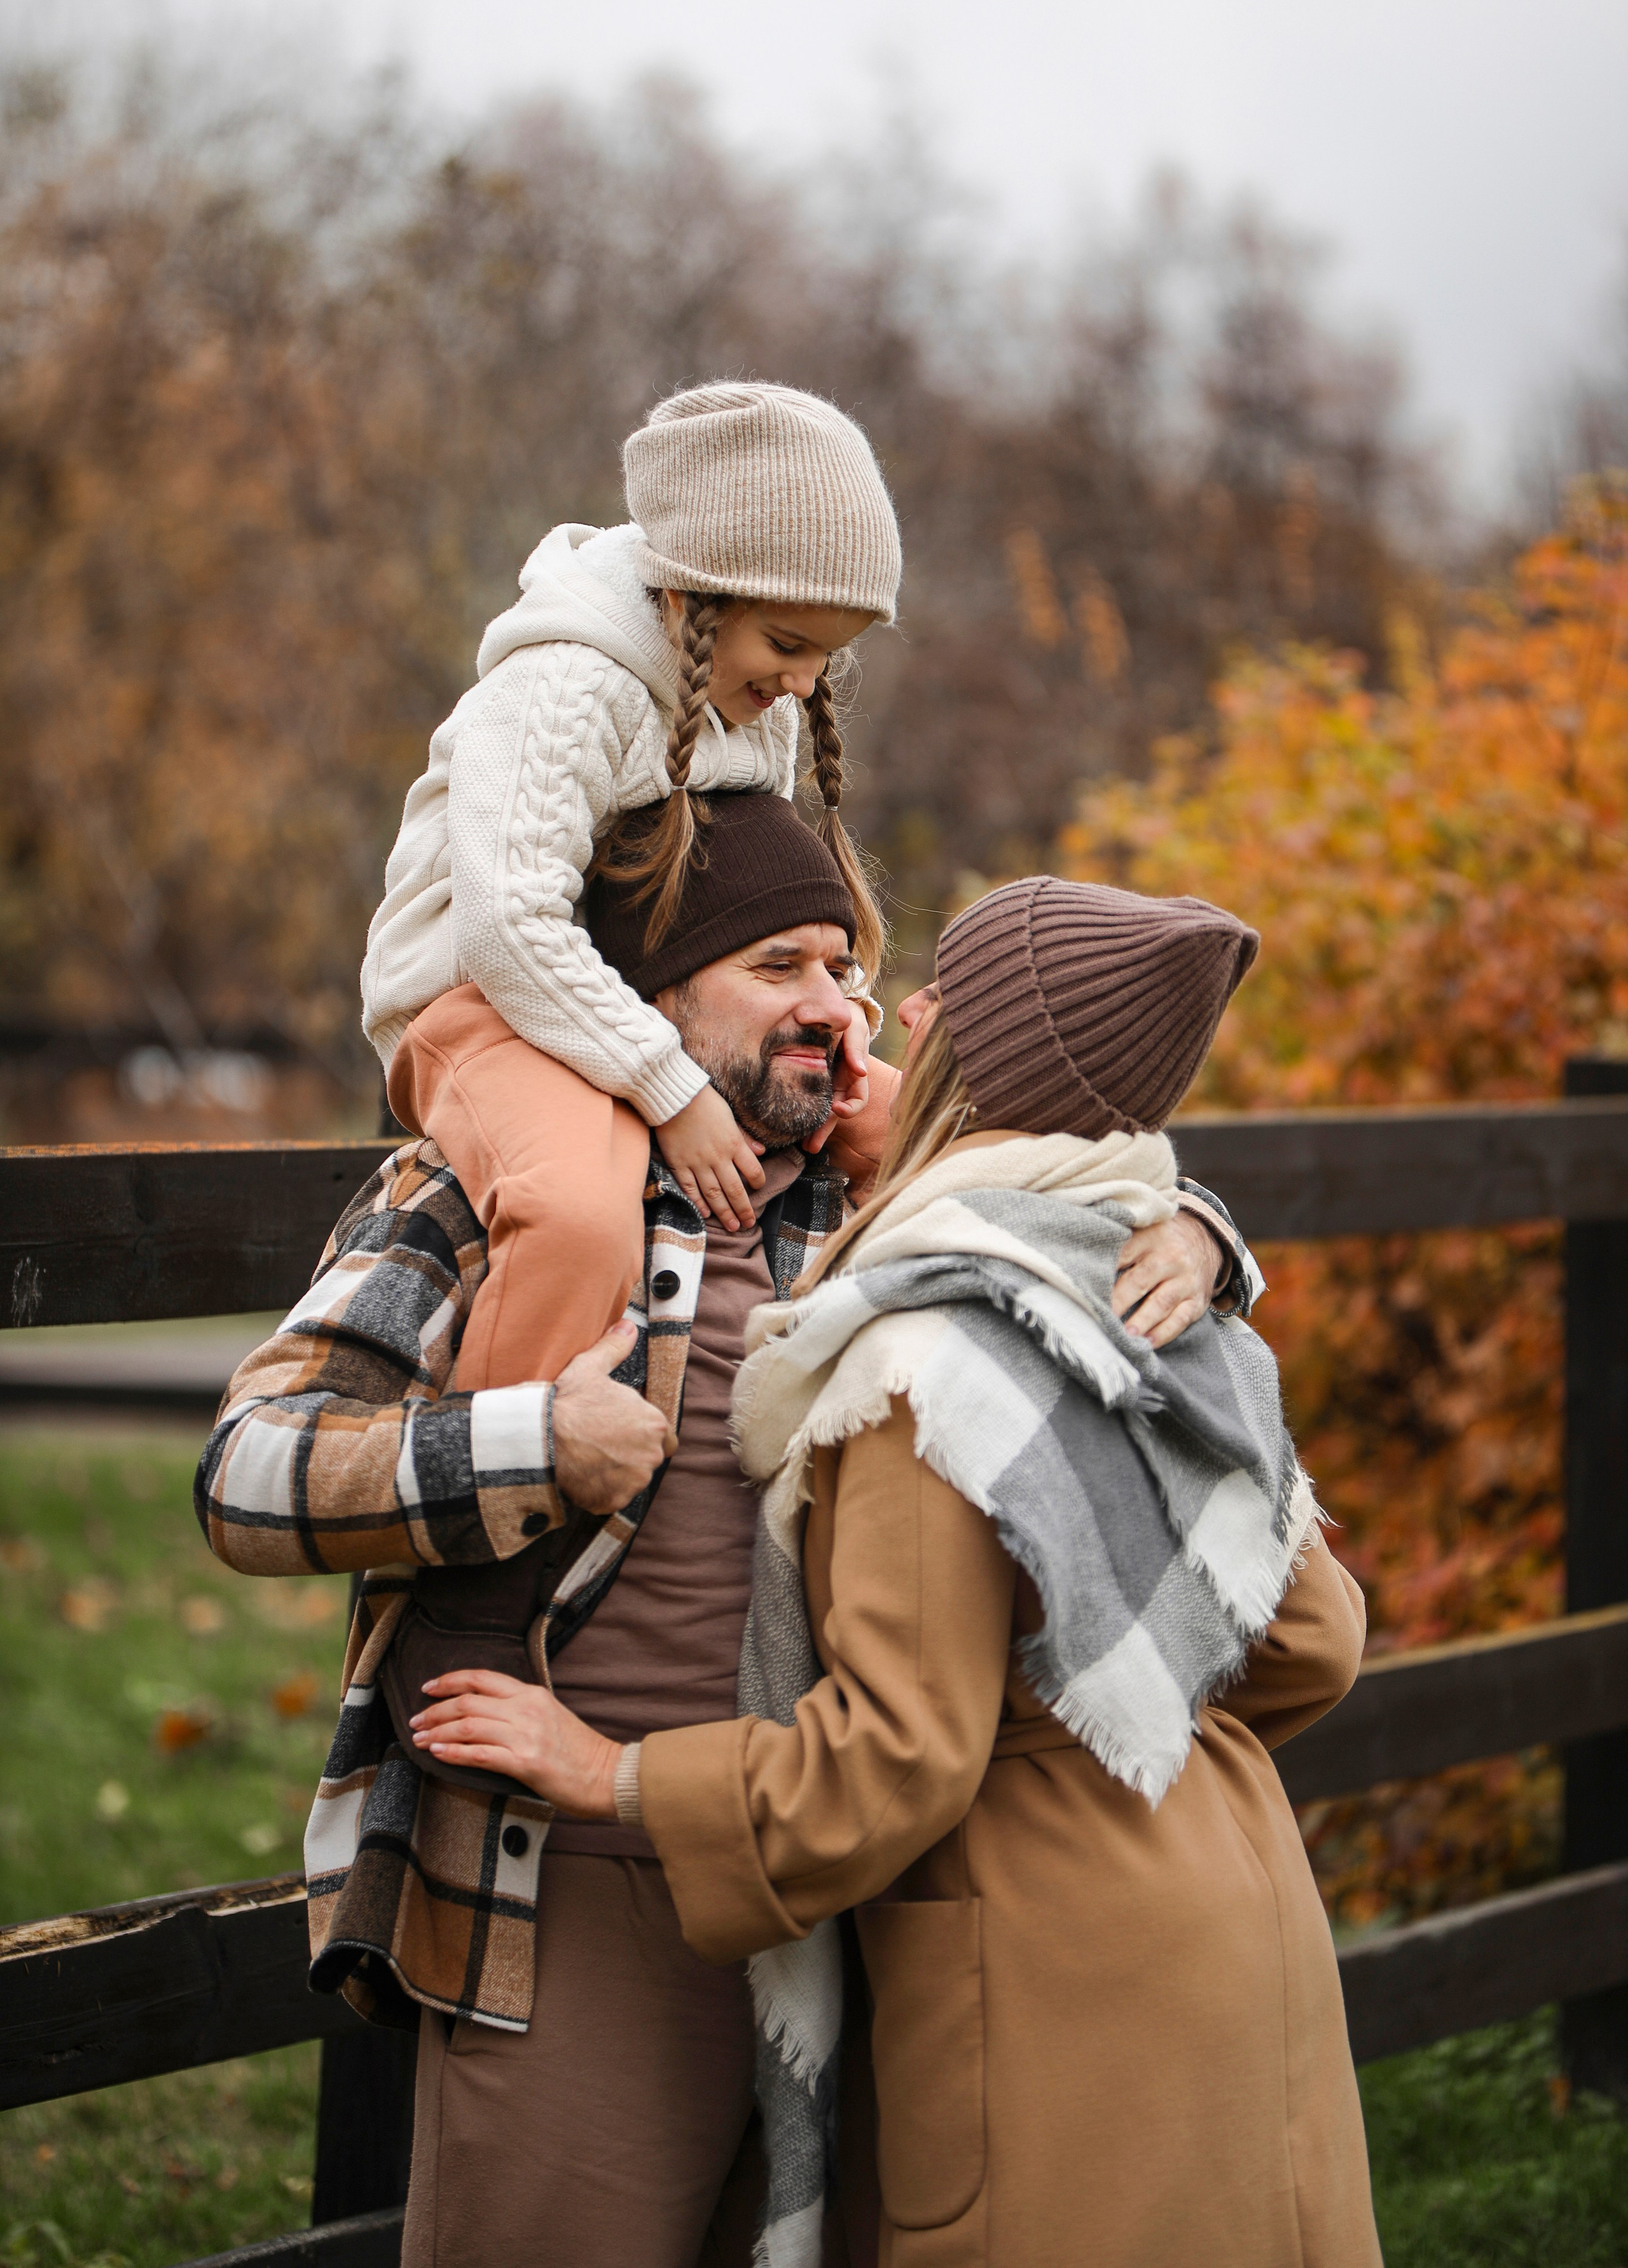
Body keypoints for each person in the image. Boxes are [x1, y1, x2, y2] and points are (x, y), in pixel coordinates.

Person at [197, 810, 1250, 2268]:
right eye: (776, 965)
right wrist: (533, 1444)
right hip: (569, 1885)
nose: (833, 1003)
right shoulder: (488, 1191)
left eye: (843, 966)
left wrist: (1197, 1230)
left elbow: (1077, 1169)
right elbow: (247, 1470)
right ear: (649, 999)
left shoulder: (877, 1193)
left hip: (836, 1882)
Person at [411, 875, 1383, 2268]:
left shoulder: (921, 1360)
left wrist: (607, 1771)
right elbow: (1315, 1644)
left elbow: (898, 1760)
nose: (887, 1011)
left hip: (1053, 1964)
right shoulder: (1152, 1293)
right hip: (1240, 1905)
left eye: (937, 995)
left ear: (978, 1066)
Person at [362, 379, 905, 1409]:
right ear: (690, 601)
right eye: (787, 645)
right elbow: (509, 928)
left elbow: (746, 893)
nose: (803, 681)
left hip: (628, 987)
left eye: (826, 655)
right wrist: (674, 1091)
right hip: (475, 1001)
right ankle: (522, 1455)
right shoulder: (566, 685)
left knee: (899, 1123)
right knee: (576, 1206)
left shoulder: (754, 698)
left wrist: (833, 1016)